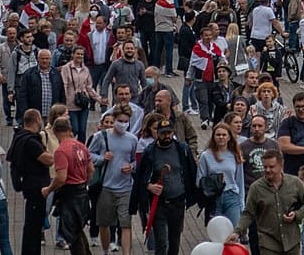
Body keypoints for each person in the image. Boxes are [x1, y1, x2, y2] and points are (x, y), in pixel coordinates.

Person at [130, 119, 203, 255]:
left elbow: (192, 172)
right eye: (163, 133)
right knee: (161, 243)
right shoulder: (150, 152)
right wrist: (149, 186)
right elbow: (140, 177)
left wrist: (196, 196)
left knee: (175, 242)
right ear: (157, 134)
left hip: (178, 202)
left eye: (169, 133)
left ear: (173, 132)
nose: (166, 136)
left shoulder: (182, 149)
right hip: (159, 204)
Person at [231, 151, 304, 255]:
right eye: (265, 167)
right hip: (268, 243)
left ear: (281, 165)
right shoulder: (256, 188)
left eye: (271, 167)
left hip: (292, 242)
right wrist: (237, 231)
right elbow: (248, 213)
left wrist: (296, 215)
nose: (267, 170)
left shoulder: (295, 183)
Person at [92, 104, 137, 255]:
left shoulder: (132, 139)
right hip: (106, 186)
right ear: (114, 119)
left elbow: (135, 160)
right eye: (120, 121)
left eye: (126, 121)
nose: (123, 124)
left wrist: (131, 167)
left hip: (126, 188)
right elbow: (89, 154)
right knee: (104, 224)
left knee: (125, 225)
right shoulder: (101, 136)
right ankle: (105, 250)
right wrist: (102, 158)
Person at [44, 117, 94, 255]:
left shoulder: (61, 151)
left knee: (72, 234)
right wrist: (84, 182)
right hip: (82, 192)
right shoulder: (80, 145)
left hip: (69, 194)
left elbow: (61, 178)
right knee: (77, 230)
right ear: (70, 129)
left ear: (54, 131)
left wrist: (48, 190)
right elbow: (91, 170)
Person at [8, 108, 54, 255]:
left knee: (32, 225)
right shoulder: (31, 141)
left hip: (28, 185)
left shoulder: (19, 136)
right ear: (37, 120)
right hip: (36, 187)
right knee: (33, 226)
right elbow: (48, 160)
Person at [199, 120, 247, 225]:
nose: (221, 137)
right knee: (216, 234)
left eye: (224, 135)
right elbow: (200, 180)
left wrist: (241, 203)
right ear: (213, 137)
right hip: (214, 199)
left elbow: (240, 181)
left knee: (234, 232)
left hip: (232, 196)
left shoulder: (235, 155)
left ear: (229, 137)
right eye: (218, 135)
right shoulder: (205, 156)